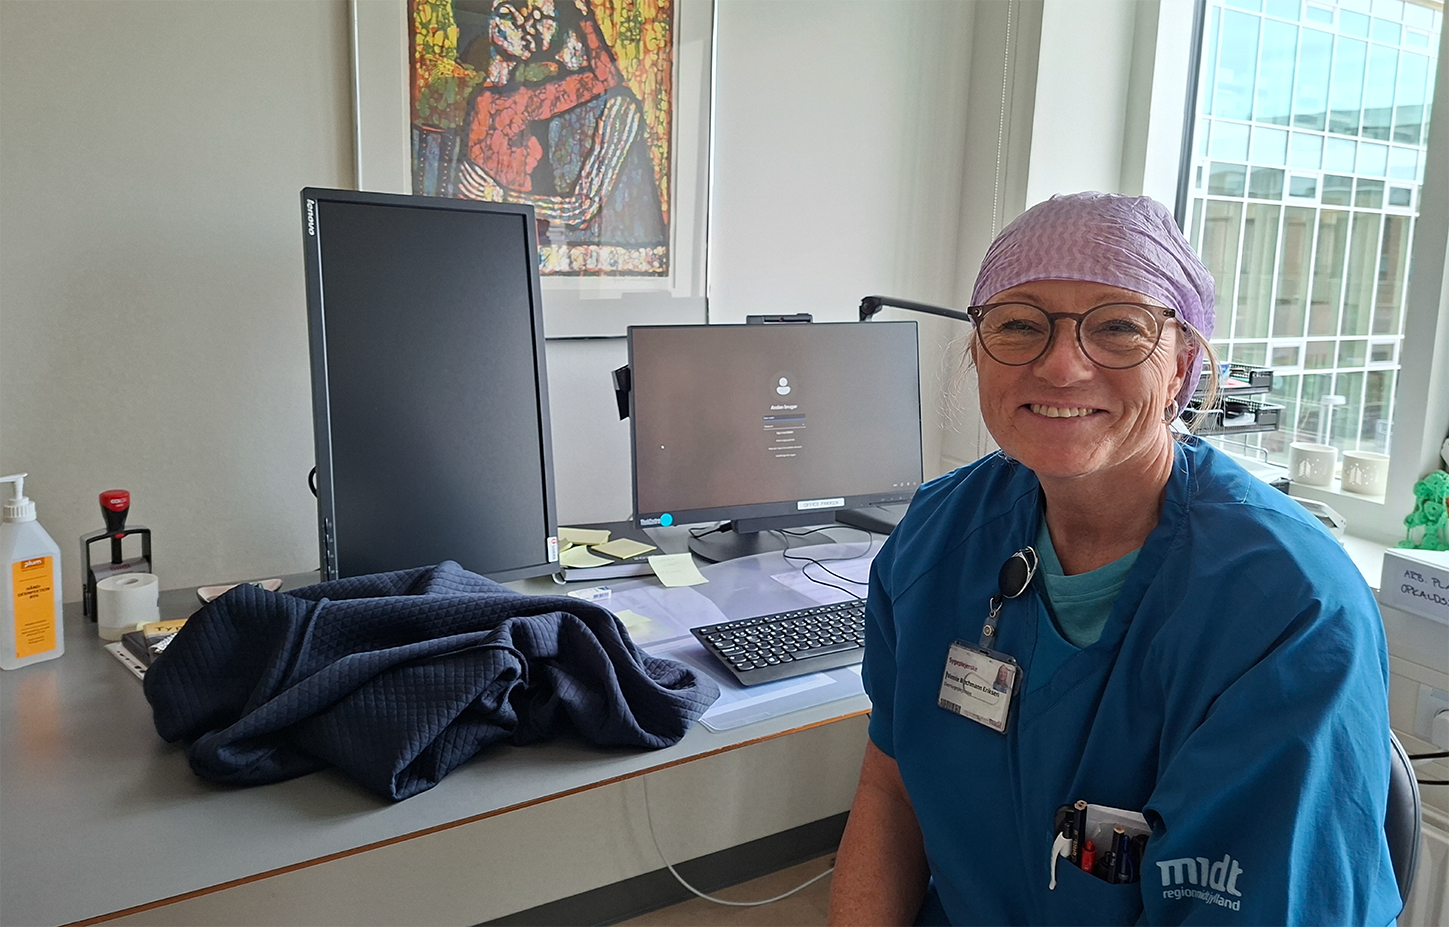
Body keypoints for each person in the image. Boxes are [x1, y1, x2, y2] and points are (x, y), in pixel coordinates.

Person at [826, 193, 1399, 926]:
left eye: (1119, 327)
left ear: (1181, 366)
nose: (1062, 366)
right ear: (978, 351)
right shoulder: (938, 534)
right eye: (1018, 324)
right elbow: (893, 785)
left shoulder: (1289, 606)